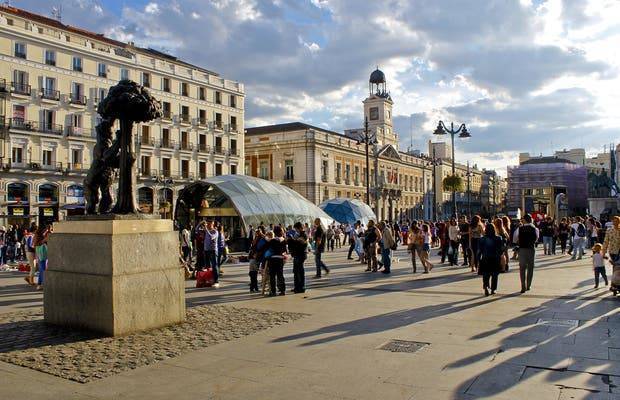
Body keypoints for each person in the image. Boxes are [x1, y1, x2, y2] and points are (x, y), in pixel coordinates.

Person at [514, 214, 539, 293]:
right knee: (530, 268)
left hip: (522, 249)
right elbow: (536, 238)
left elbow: (514, 238)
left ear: (524, 220)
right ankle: (528, 285)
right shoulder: (535, 228)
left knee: (522, 268)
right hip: (531, 249)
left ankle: (523, 286)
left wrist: (520, 241)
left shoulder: (519, 228)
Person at [478, 224, 504, 296]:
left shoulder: (482, 239)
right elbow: (501, 249)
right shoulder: (498, 238)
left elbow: (479, 251)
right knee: (494, 274)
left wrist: (478, 259)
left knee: (486, 274)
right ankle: (493, 289)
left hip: (485, 258)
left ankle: (486, 286)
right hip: (495, 258)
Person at [288, 222, 308, 293]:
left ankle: (301, 287)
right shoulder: (299, 234)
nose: (296, 230)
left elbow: (300, 243)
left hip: (300, 255)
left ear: (299, 228)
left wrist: (292, 240)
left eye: (296, 229)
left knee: (299, 271)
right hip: (298, 254)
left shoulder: (303, 234)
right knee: (296, 271)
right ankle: (297, 287)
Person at [203, 220, 224, 288]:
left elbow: (212, 237)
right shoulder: (206, 230)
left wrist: (206, 229)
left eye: (210, 224)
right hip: (206, 250)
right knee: (207, 266)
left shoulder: (215, 231)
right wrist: (201, 223)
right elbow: (197, 230)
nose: (208, 225)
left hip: (213, 250)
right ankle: (209, 279)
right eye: (207, 224)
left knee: (214, 266)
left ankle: (216, 281)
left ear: (213, 224)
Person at [267, 226, 287, 296]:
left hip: (273, 259)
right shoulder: (284, 240)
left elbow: (269, 250)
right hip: (280, 259)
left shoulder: (272, 241)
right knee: (280, 275)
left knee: (272, 275)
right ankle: (282, 290)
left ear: (275, 232)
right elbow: (285, 251)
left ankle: (273, 291)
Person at [33, 225, 50, 291]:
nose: (46, 231)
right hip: (41, 254)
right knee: (43, 270)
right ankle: (42, 284)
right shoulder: (37, 235)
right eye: (45, 230)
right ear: (42, 230)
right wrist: (44, 240)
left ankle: (40, 284)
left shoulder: (42, 235)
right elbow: (35, 244)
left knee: (41, 270)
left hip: (43, 254)